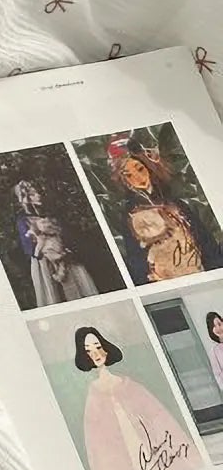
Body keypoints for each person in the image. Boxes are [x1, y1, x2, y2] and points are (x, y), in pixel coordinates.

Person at [75, 325, 201, 470]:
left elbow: (158, 416)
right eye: (89, 351)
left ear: (106, 348)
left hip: (147, 445)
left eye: (98, 347)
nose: (96, 354)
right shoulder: (94, 395)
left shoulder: (129, 385)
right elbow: (96, 441)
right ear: (85, 356)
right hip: (120, 455)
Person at [106, 136, 222, 284]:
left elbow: (204, 239)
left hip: (199, 271)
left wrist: (216, 269)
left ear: (148, 166)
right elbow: (137, 260)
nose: (138, 177)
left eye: (140, 169)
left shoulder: (175, 203)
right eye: (128, 175)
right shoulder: (131, 214)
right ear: (124, 180)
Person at [13, 179, 100, 306]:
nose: (38, 195)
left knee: (78, 287)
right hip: (44, 261)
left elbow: (65, 235)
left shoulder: (49, 213)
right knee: (53, 295)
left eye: (38, 192)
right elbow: (30, 249)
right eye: (33, 194)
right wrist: (41, 243)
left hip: (64, 255)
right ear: (26, 198)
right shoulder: (23, 221)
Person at [206, 311, 223, 397]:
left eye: (219, 324)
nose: (218, 328)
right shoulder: (215, 351)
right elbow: (218, 374)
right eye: (214, 326)